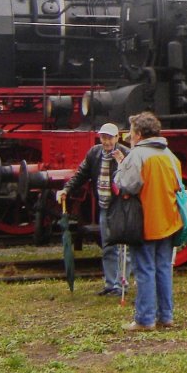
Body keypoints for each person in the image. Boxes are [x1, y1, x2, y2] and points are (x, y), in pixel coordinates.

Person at [113, 111, 183, 332]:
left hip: (145, 221)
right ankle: (166, 316)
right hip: (169, 220)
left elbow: (128, 185)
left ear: (140, 134)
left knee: (144, 270)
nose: (129, 136)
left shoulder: (138, 155)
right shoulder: (170, 156)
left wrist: (120, 168)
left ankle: (145, 319)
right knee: (163, 269)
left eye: (131, 132)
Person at [55, 123, 130, 296]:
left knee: (123, 247)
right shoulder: (94, 153)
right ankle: (111, 284)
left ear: (117, 138)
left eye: (110, 137)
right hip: (104, 205)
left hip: (120, 207)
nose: (106, 141)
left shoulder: (126, 154)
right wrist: (67, 189)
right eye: (104, 137)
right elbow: (81, 174)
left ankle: (122, 284)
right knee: (107, 246)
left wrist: (121, 163)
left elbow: (130, 180)